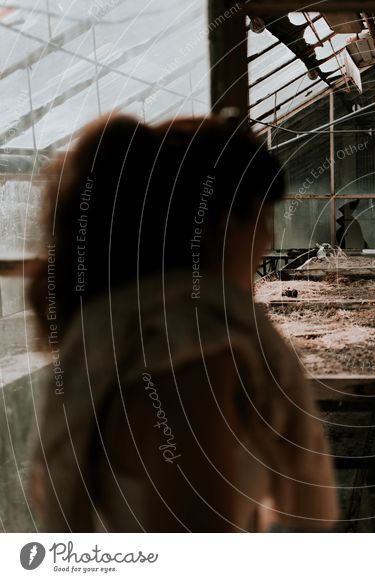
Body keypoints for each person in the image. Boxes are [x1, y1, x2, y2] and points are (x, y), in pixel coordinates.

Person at [26, 113, 338, 532]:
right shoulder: (186, 360)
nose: (268, 242)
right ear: (222, 224)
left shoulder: (133, 333)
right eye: (263, 221)